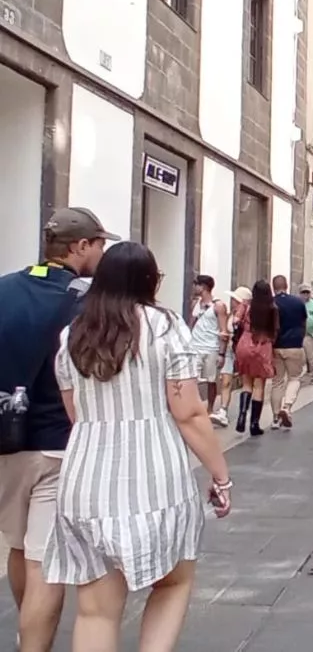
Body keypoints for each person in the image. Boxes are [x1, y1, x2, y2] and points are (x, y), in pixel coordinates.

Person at [45, 242, 232, 652]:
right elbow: (189, 413)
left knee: (95, 609)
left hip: (86, 477)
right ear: (150, 281)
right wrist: (221, 474)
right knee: (173, 581)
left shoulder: (73, 333)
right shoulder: (164, 328)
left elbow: (74, 413)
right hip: (155, 476)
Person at [0, 207, 114, 651]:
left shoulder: (5, 288)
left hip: (6, 442)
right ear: (79, 247)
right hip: (58, 444)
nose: (102, 252)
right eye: (100, 244)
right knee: (44, 559)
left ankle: (24, 629)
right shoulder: (84, 301)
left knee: (16, 544)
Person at [234, 280, 277, 436]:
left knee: (246, 383)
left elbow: (235, 322)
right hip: (262, 345)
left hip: (245, 343)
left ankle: (241, 417)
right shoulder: (272, 309)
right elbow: (275, 330)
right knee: (259, 385)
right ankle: (254, 424)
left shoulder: (246, 307)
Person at [189, 275, 230, 427]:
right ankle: (195, 408)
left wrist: (221, 353)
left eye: (196, 285)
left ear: (204, 287)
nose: (194, 288)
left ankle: (210, 409)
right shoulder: (195, 304)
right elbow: (191, 324)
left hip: (211, 347)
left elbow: (223, 330)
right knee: (192, 378)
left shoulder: (218, 306)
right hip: (195, 346)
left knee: (211, 380)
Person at [270, 275, 307, 430]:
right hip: (294, 345)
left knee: (277, 381)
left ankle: (275, 418)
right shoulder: (298, 302)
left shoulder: (271, 303)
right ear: (286, 285)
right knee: (294, 378)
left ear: (273, 286)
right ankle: (287, 406)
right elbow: (304, 322)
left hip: (276, 346)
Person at [217, 286, 252, 429]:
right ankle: (223, 410)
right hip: (230, 350)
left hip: (242, 351)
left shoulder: (247, 315)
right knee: (226, 380)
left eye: (234, 299)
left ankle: (243, 412)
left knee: (247, 383)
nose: (231, 301)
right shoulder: (231, 314)